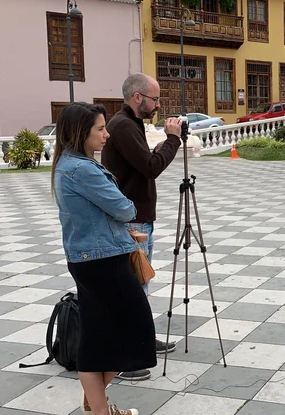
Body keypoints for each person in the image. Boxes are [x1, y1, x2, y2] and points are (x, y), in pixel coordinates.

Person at [52, 102, 156, 415]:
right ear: (81, 132)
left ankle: (97, 405)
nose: (107, 134)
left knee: (99, 335)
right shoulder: (80, 169)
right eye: (100, 128)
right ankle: (98, 406)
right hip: (102, 261)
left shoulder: (69, 164)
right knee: (134, 330)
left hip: (92, 258)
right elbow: (125, 209)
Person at [101, 73, 182, 381]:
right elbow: (150, 167)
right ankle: (124, 355)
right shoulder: (122, 126)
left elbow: (143, 164)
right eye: (154, 99)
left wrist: (163, 143)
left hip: (139, 217)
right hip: (131, 221)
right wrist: (172, 140)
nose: (158, 105)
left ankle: (142, 340)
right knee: (132, 288)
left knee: (140, 285)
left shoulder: (130, 125)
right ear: (137, 98)